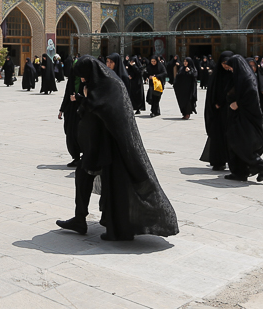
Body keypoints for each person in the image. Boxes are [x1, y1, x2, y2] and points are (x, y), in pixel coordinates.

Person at [55, 57, 179, 241]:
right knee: (84, 176)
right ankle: (81, 219)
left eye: (83, 75)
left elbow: (107, 110)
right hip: (98, 144)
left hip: (112, 146)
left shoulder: (110, 84)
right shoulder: (102, 82)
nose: (82, 79)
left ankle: (112, 225)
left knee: (111, 184)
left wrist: (87, 99)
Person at [200, 52, 233, 170]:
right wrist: (215, 103)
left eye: (228, 63)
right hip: (218, 112)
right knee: (217, 136)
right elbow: (211, 93)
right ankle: (218, 161)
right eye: (223, 63)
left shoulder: (234, 74)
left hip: (231, 111)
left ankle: (232, 161)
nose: (225, 65)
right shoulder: (216, 75)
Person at [58, 55, 82, 167]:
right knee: (71, 133)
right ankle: (76, 157)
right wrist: (62, 109)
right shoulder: (71, 80)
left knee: (82, 134)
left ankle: (85, 157)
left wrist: (79, 98)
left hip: (83, 111)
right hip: (72, 111)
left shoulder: (88, 80)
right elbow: (67, 94)